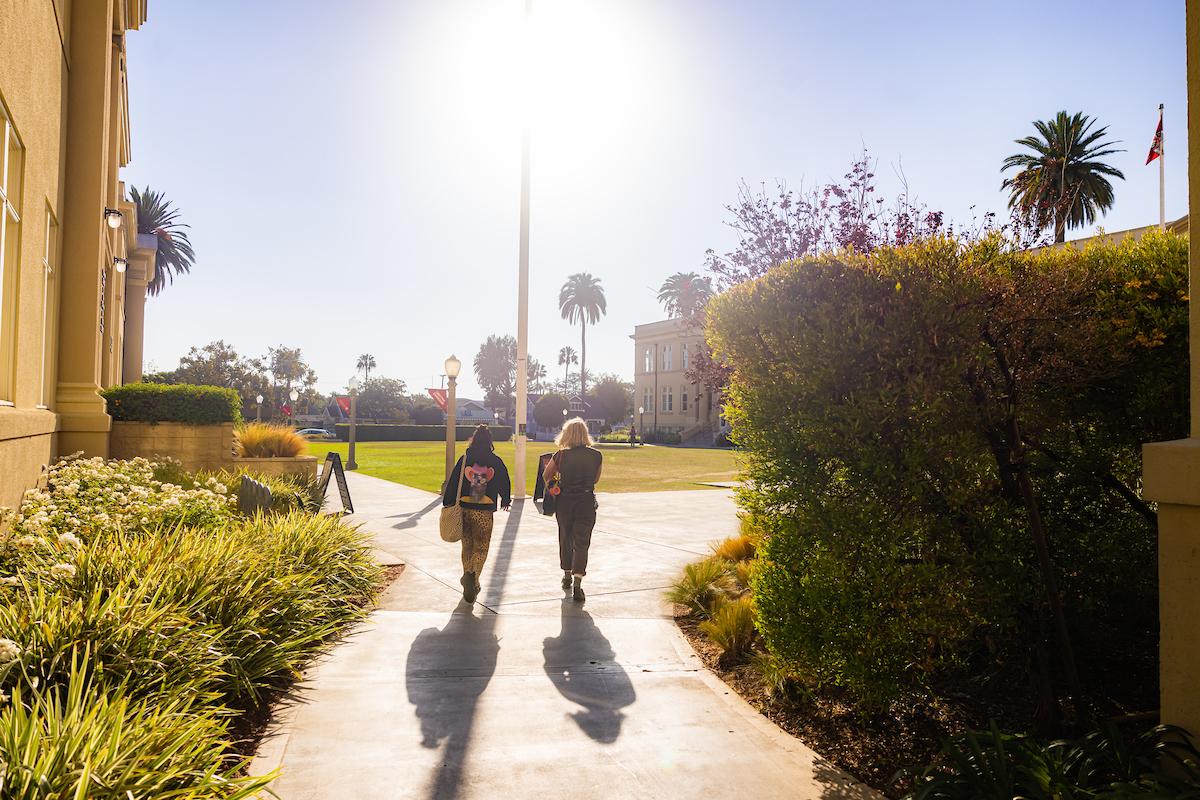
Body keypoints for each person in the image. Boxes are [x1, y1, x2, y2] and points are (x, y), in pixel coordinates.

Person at [442, 424, 511, 603]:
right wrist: (505, 499)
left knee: (467, 545)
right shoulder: (495, 460)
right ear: (490, 441)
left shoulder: (465, 458)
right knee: (481, 546)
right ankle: (473, 576)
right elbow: (505, 479)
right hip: (484, 510)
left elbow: (454, 480)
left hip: (465, 507)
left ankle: (468, 574)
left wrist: (448, 502)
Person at [543, 417, 602, 602]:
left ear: (566, 434)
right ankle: (578, 582)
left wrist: (555, 486)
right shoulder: (596, 455)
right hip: (585, 500)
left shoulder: (560, 455)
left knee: (566, 537)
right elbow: (596, 480)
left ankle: (567, 574)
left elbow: (546, 475)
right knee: (582, 541)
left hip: (565, 501)